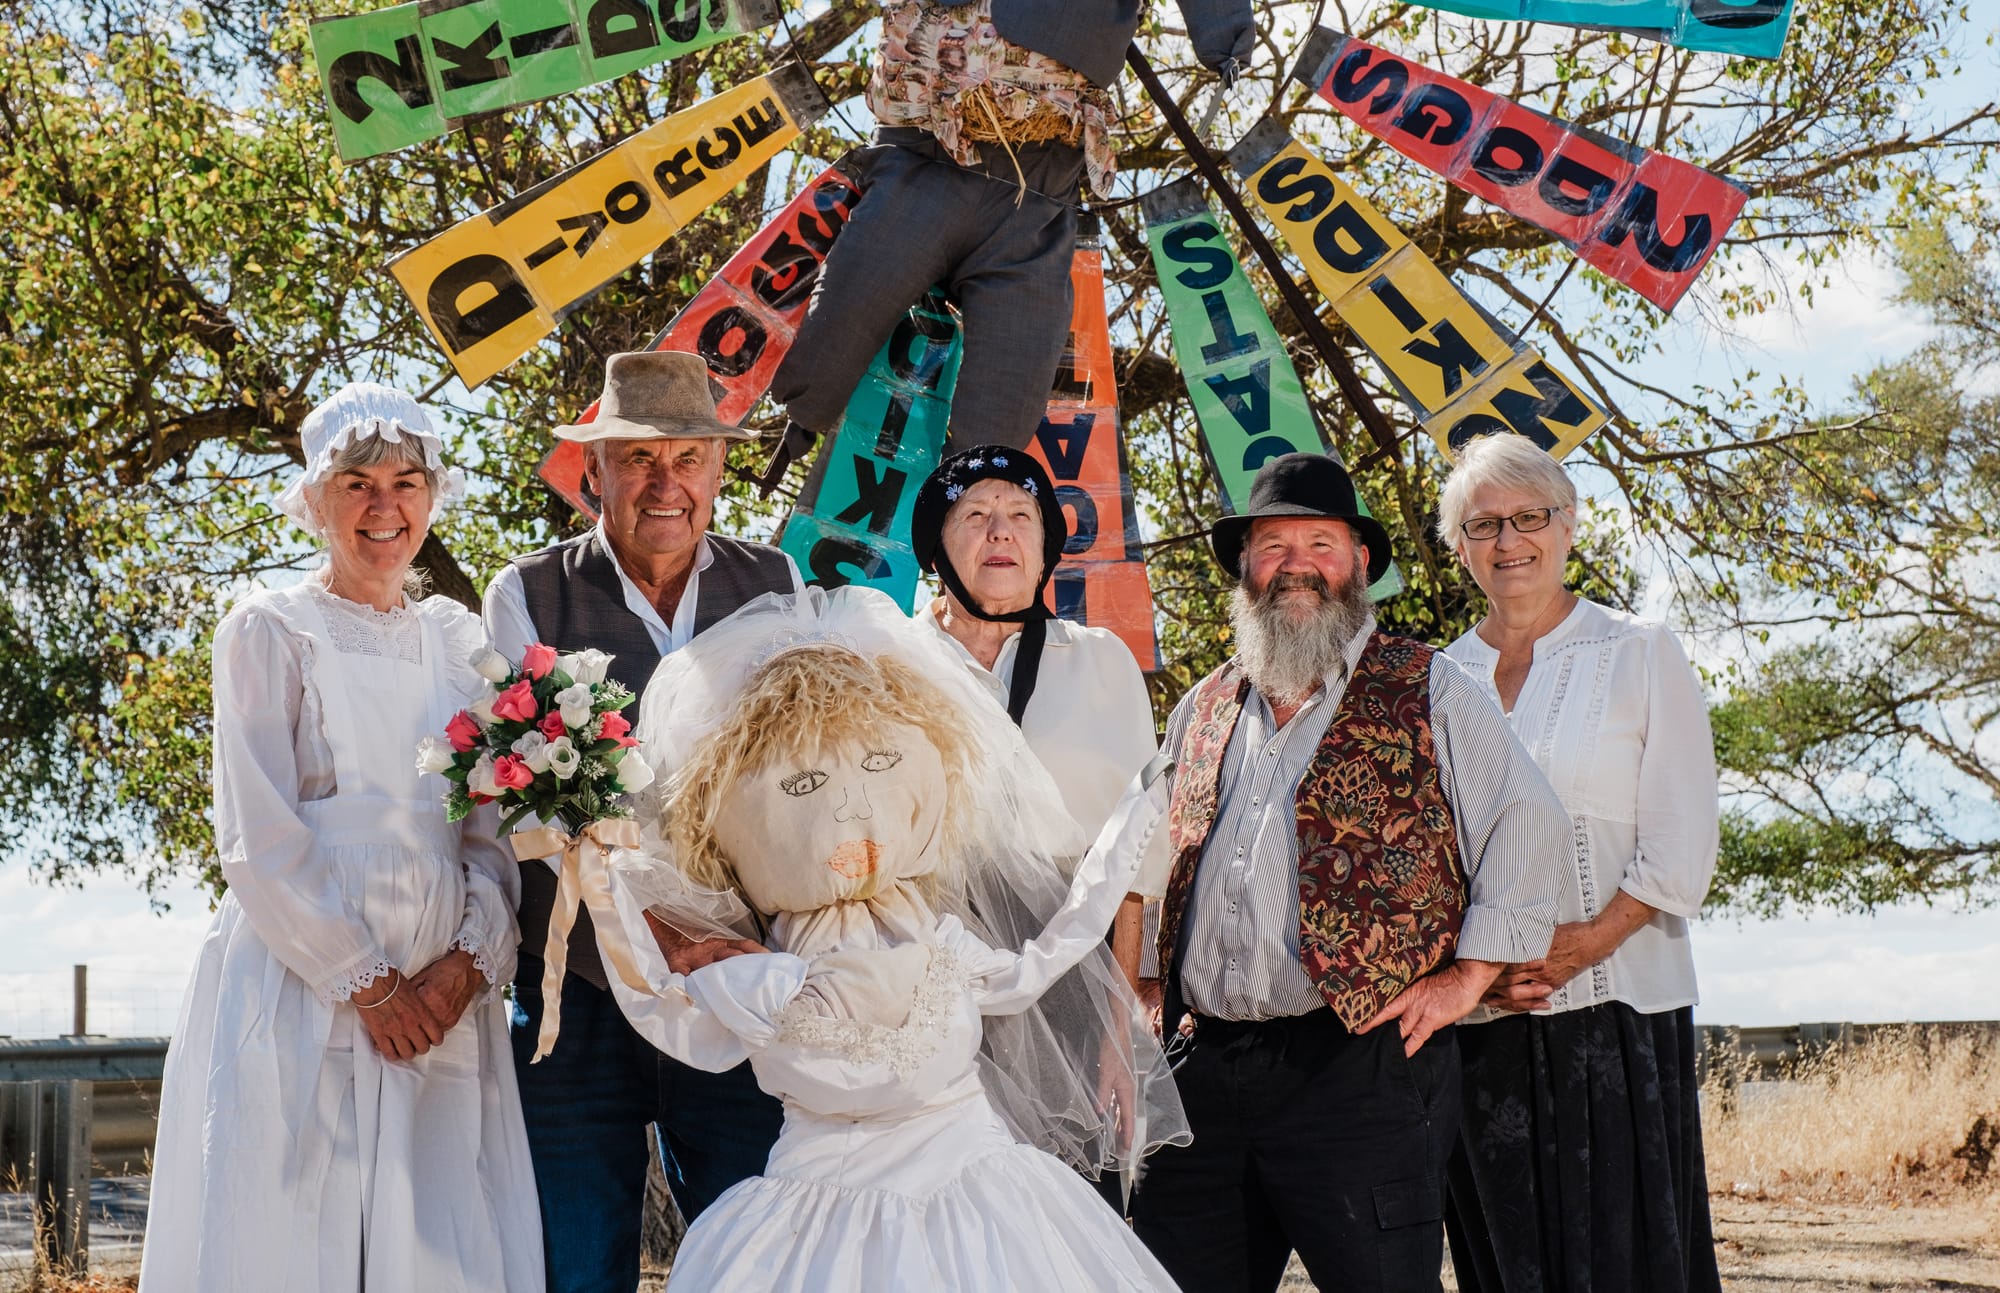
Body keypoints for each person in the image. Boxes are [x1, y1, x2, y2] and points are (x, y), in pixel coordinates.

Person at [589, 585, 1188, 1290]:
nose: (848, 805)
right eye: (805, 781)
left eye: (877, 766)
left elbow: (1048, 954)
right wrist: (595, 859)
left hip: (981, 1192)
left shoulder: (938, 942)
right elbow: (657, 992)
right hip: (818, 1209)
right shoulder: (756, 974)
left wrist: (1126, 830)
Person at [1128, 451, 1572, 1293]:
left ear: (1360, 563)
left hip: (1360, 1071)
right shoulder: (1204, 704)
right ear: (1245, 568)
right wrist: (1145, 977)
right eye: (1273, 545)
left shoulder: (1428, 685)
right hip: (1201, 1075)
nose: (1297, 564)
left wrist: (1467, 977)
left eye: (1321, 542)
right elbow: (1146, 850)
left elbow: (1530, 820)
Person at [140, 384, 540, 1292]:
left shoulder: (456, 642)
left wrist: (471, 960)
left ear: (433, 496)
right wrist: (362, 976)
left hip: (440, 989)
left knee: (438, 1228)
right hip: (305, 977)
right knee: (299, 1227)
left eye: (405, 481)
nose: (383, 506)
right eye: (356, 483)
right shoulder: (271, 630)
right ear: (315, 498)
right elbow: (255, 831)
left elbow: (487, 832)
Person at [482, 350, 804, 1292]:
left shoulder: (777, 582)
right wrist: (658, 923)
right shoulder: (527, 594)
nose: (667, 484)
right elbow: (532, 795)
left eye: (689, 459)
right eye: (638, 460)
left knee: (751, 1255)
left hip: (734, 987)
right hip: (576, 994)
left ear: (718, 468)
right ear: (594, 475)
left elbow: (799, 776)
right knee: (577, 1263)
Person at [1433, 433, 1723, 1292]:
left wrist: (1583, 943)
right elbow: (1426, 865)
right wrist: (1477, 977)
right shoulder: (1437, 679)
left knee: (1628, 1260)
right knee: (1507, 1263)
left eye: (1531, 517)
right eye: (1484, 525)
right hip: (1484, 1020)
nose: (1509, 540)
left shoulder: (1640, 651)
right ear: (1459, 549)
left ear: (1569, 528)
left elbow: (1681, 837)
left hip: (1618, 1009)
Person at [756, 0, 1255, 482]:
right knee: (841, 319)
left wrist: (1225, 38)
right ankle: (791, 430)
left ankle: (965, 513)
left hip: (1035, 195)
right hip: (924, 154)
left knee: (1005, 413)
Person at [907, 445, 1164, 994]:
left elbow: (1131, 869)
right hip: (917, 968)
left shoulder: (1101, 661)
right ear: (934, 548)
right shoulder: (889, 665)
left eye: (1022, 516)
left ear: (1045, 546)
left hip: (1074, 966)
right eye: (975, 514)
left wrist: (1119, 1029)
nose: (1000, 532)